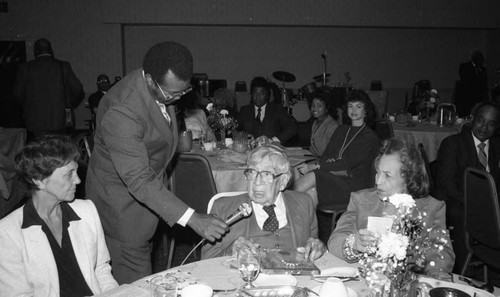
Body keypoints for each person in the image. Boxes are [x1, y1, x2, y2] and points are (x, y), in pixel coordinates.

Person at [85, 41, 229, 284]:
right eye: (173, 94)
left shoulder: (160, 89)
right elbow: (139, 179)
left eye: (184, 92)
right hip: (123, 212)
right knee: (136, 286)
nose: (178, 99)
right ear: (150, 80)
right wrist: (193, 218)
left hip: (147, 204)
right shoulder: (122, 110)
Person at [0, 135, 118, 296]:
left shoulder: (86, 211)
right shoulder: (8, 233)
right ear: (39, 180)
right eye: (69, 174)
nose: (77, 180)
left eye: (76, 171)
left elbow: (101, 270)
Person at [329, 138, 455, 274]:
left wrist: (414, 256)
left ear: (408, 179)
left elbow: (443, 259)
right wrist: (354, 244)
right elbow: (334, 242)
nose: (378, 181)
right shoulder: (361, 200)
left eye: (387, 176)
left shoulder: (431, 208)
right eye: (378, 172)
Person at [201, 145, 326, 261]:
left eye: (266, 174)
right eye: (252, 173)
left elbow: (313, 246)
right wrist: (230, 251)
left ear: (283, 181)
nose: (257, 182)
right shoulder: (223, 208)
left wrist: (317, 247)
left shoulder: (304, 203)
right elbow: (206, 262)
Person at [434, 102, 500, 271]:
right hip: (457, 202)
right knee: (465, 217)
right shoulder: (453, 144)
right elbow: (447, 184)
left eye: (491, 123)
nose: (484, 127)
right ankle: (459, 271)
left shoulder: (497, 147)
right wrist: (476, 205)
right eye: (481, 120)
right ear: (472, 120)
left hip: (488, 206)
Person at [293, 90, 379, 208]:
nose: (353, 110)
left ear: (366, 110)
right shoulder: (342, 130)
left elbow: (347, 163)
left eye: (358, 107)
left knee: (313, 175)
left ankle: (282, 205)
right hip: (335, 176)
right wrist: (320, 164)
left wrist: (316, 166)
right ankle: (296, 224)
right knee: (309, 192)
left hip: (355, 186)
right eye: (350, 106)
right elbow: (327, 155)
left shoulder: (369, 136)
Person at [13, 38, 84, 139]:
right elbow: (78, 88)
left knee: (41, 150)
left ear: (35, 51)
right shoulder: (63, 66)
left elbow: (18, 93)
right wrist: (67, 103)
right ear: (50, 49)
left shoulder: (26, 68)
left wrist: (28, 106)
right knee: (61, 150)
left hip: (36, 120)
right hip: (61, 119)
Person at [237, 77, 296, 145]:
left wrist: (274, 141)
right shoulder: (245, 110)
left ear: (267, 95)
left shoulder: (277, 109)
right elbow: (233, 129)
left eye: (262, 93)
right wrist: (242, 138)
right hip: (249, 151)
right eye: (255, 93)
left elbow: (291, 128)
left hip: (272, 150)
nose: (258, 96)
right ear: (251, 95)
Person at [308, 87, 340, 157]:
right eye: (313, 105)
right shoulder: (315, 123)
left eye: (319, 105)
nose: (314, 108)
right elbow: (313, 149)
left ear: (327, 108)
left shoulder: (333, 127)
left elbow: (333, 155)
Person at [455, 50, 489, 117]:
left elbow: (484, 83)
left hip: (477, 98)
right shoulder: (465, 66)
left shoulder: (482, 69)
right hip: (465, 98)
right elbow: (466, 79)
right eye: (478, 59)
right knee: (464, 116)